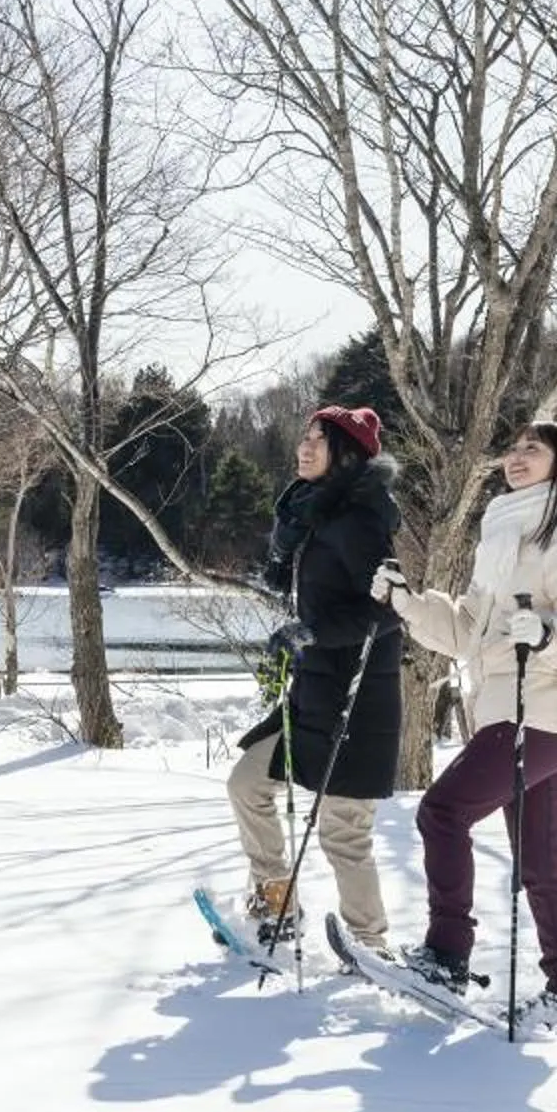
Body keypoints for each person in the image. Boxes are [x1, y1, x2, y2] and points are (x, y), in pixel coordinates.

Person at [378, 419, 557, 1022]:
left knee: (442, 811)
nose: (516, 458)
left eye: (532, 450)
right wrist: (409, 602)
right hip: (507, 711)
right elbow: (467, 632)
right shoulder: (501, 533)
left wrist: (547, 634)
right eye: (513, 449)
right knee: (539, 864)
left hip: (546, 709)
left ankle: (446, 956)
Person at [228, 404, 403, 952]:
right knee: (249, 784)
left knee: (343, 834)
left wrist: (313, 631)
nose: (304, 448)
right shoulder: (318, 515)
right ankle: (276, 902)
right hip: (312, 694)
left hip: (357, 699)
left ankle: (371, 947)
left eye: (318, 442)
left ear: (346, 456)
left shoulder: (359, 520)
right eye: (304, 437)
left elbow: (391, 609)